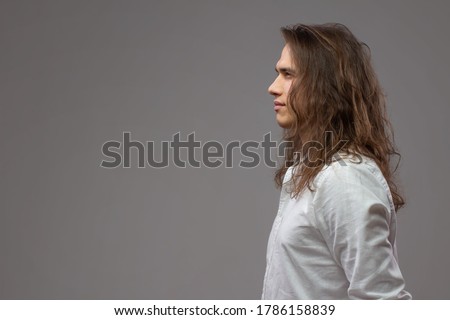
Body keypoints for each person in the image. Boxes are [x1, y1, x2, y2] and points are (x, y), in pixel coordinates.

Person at [261, 23, 412, 299]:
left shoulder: (345, 178)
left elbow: (383, 303)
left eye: (287, 74)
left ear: (323, 85)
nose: (273, 87)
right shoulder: (308, 172)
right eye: (277, 74)